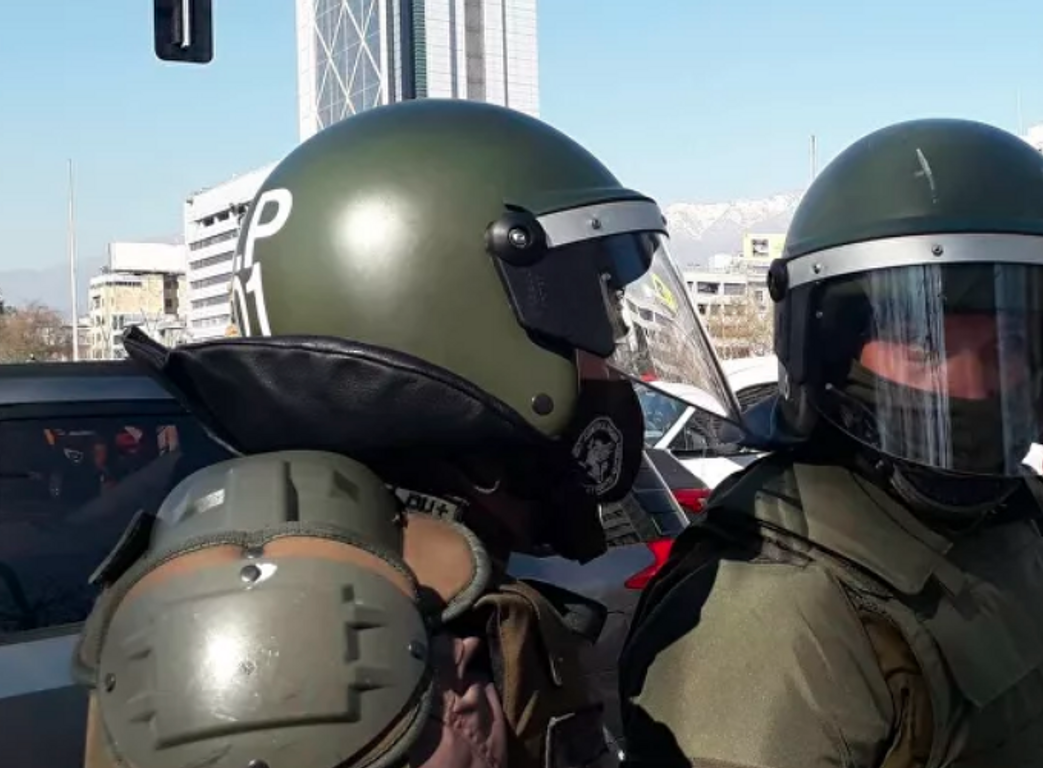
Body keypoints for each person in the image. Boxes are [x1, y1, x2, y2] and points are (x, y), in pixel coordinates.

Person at [72, 99, 738, 768]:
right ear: (462, 319)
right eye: (594, 313)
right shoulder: (335, 642)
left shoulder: (419, 582)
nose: (614, 349)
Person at [618, 118, 1043, 767]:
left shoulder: (1019, 511)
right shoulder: (773, 606)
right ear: (830, 349)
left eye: (1011, 347)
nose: (977, 382)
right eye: (925, 345)